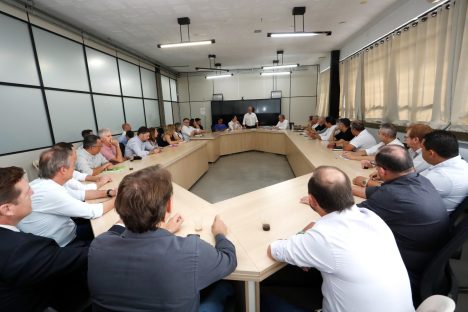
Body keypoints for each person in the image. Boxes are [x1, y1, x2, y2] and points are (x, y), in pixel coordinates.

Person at [88, 165, 237, 311]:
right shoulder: (190, 250)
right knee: (224, 287)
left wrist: (164, 231)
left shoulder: (98, 245)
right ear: (168, 206)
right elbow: (229, 260)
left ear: (119, 209)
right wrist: (219, 233)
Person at [268, 166, 413, 312]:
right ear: (349, 192)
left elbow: (274, 250)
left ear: (312, 201)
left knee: (266, 296)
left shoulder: (325, 238)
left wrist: (302, 238)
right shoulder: (372, 217)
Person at [356, 145, 449, 305]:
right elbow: (380, 193)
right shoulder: (421, 180)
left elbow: (347, 220)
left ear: (383, 171)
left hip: (406, 271)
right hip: (427, 259)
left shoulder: (392, 195)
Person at [0, 166, 90, 312]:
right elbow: (84, 256)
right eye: (27, 193)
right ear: (7, 209)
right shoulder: (19, 250)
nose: (33, 192)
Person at [17, 147, 116, 247]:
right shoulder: (50, 191)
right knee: (113, 237)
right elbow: (94, 211)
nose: (74, 169)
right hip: (65, 244)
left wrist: (108, 192)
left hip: (68, 231)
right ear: (63, 170)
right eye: (73, 165)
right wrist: (121, 197)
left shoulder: (43, 184)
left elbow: (81, 195)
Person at [421, 130, 468, 213]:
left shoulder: (442, 177)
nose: (421, 151)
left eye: (422, 149)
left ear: (431, 153)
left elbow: (408, 196)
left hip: (427, 219)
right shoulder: (460, 163)